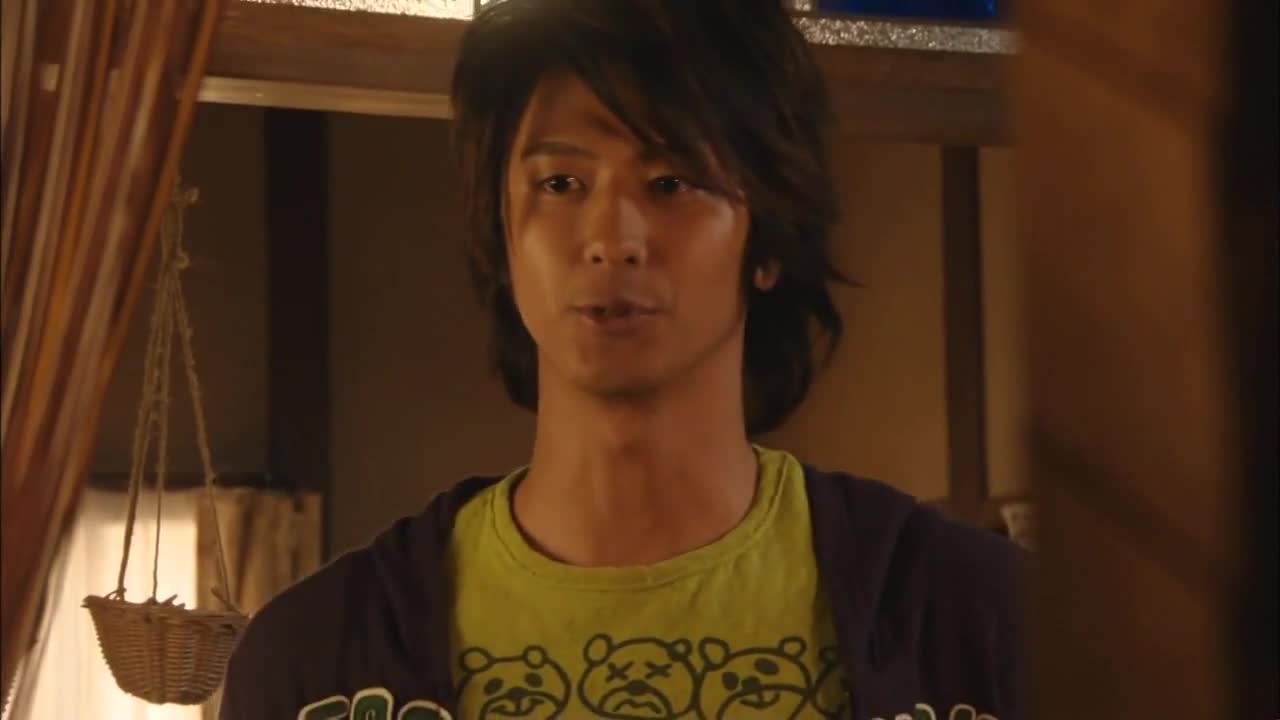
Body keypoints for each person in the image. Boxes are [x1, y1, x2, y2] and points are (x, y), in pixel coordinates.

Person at [219, 1, 1026, 718]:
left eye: (671, 182)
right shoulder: (314, 663)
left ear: (767, 239)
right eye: (561, 183)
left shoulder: (982, 623)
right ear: (502, 230)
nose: (612, 239)